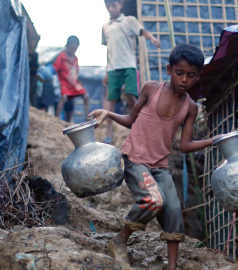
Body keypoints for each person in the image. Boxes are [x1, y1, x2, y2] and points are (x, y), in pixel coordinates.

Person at [89, 43, 222, 269]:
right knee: (153, 200)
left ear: (197, 77)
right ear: (169, 70)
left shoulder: (190, 107)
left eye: (190, 76)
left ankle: (171, 266)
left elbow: (186, 144)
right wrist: (108, 112)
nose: (183, 80)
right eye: (179, 73)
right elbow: (131, 120)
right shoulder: (151, 89)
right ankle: (120, 240)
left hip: (160, 167)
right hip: (135, 159)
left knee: (174, 214)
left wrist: (213, 140)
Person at [102, 0, 161, 144]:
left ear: (120, 4)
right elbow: (108, 49)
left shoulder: (129, 20)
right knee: (111, 100)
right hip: (113, 67)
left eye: (113, 5)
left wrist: (152, 38)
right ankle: (109, 132)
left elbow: (142, 31)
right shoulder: (105, 27)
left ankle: (140, 125)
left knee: (130, 94)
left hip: (129, 64)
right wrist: (106, 70)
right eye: (108, 6)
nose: (111, 9)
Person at [53, 35, 90, 121]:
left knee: (86, 96)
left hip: (74, 84)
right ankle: (56, 119)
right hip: (63, 83)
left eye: (75, 48)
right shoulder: (61, 57)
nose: (73, 50)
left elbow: (76, 72)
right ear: (67, 46)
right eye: (72, 48)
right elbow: (55, 70)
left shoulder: (75, 58)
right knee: (64, 98)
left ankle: (87, 117)